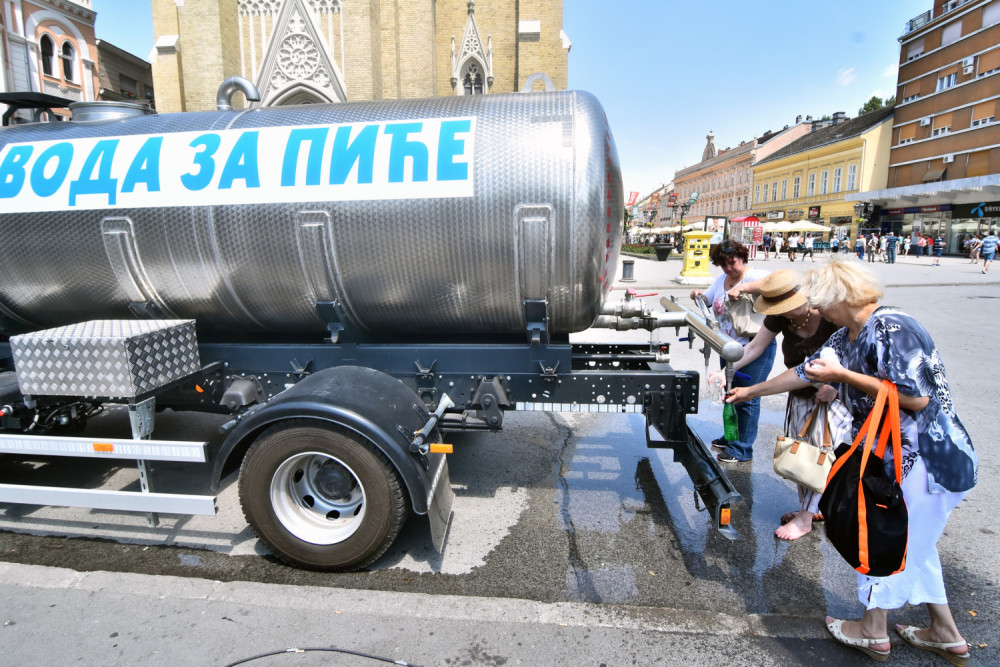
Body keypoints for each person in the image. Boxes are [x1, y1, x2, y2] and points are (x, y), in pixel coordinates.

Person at [726, 258, 977, 665]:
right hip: (896, 457)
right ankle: (946, 633)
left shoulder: (895, 327)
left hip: (927, 459)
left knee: (881, 536)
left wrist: (844, 377)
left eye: (823, 304)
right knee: (915, 544)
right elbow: (807, 372)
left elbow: (916, 398)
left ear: (839, 297)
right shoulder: (848, 334)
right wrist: (750, 393)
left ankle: (873, 631)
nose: (820, 312)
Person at [708, 269, 843, 539]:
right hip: (800, 390)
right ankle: (811, 507)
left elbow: (854, 355)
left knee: (823, 451)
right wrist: (726, 371)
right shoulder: (779, 318)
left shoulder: (830, 317)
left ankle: (805, 517)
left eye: (782, 306)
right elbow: (755, 347)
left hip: (833, 393)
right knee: (802, 452)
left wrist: (837, 385)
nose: (778, 311)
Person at [689, 240, 775, 463]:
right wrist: (698, 294)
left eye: (732, 262)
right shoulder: (722, 280)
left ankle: (742, 448)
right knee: (730, 393)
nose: (728, 268)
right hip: (728, 347)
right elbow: (707, 300)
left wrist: (744, 288)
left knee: (747, 398)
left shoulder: (753, 276)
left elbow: (778, 283)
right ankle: (731, 437)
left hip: (755, 344)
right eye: (723, 264)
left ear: (742, 257)